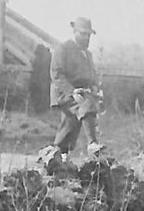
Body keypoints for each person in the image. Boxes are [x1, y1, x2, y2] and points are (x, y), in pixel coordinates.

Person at [43, 16, 103, 165]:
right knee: (86, 103)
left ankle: (56, 155)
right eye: (83, 33)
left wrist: (95, 86)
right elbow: (56, 73)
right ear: (74, 32)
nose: (86, 37)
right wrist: (72, 91)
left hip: (81, 93)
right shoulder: (63, 49)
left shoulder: (87, 54)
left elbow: (91, 76)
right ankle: (92, 143)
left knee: (70, 125)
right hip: (64, 92)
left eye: (88, 35)